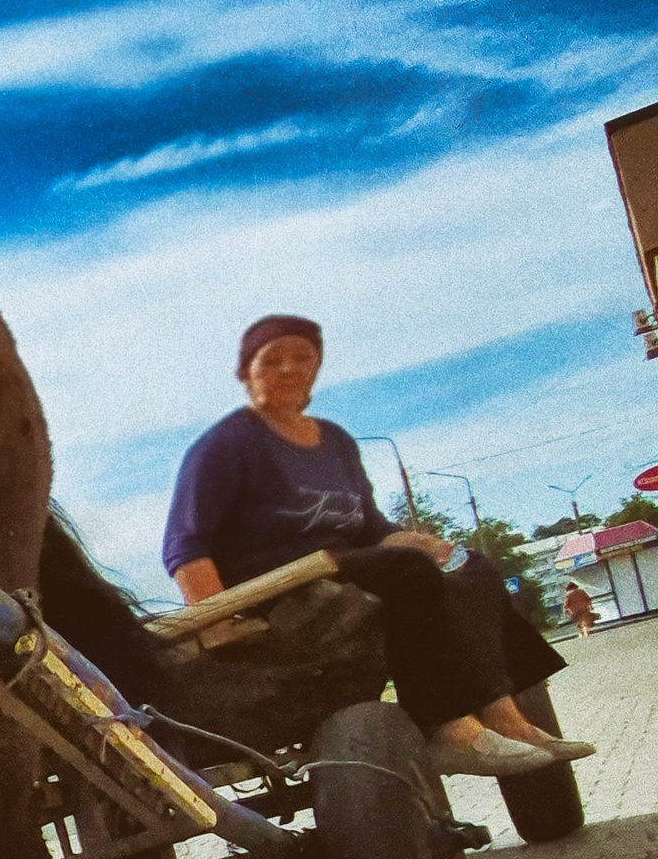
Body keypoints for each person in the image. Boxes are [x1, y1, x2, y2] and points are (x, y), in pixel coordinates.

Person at [162, 314, 590, 779]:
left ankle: (511, 722)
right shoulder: (227, 444)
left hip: (356, 566)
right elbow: (185, 544)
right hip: (282, 592)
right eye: (272, 359)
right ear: (247, 372)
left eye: (302, 357)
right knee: (408, 570)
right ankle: (446, 728)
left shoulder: (337, 443)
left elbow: (369, 527)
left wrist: (419, 540)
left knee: (470, 567)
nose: (289, 369)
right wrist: (218, 623)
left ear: (317, 365)